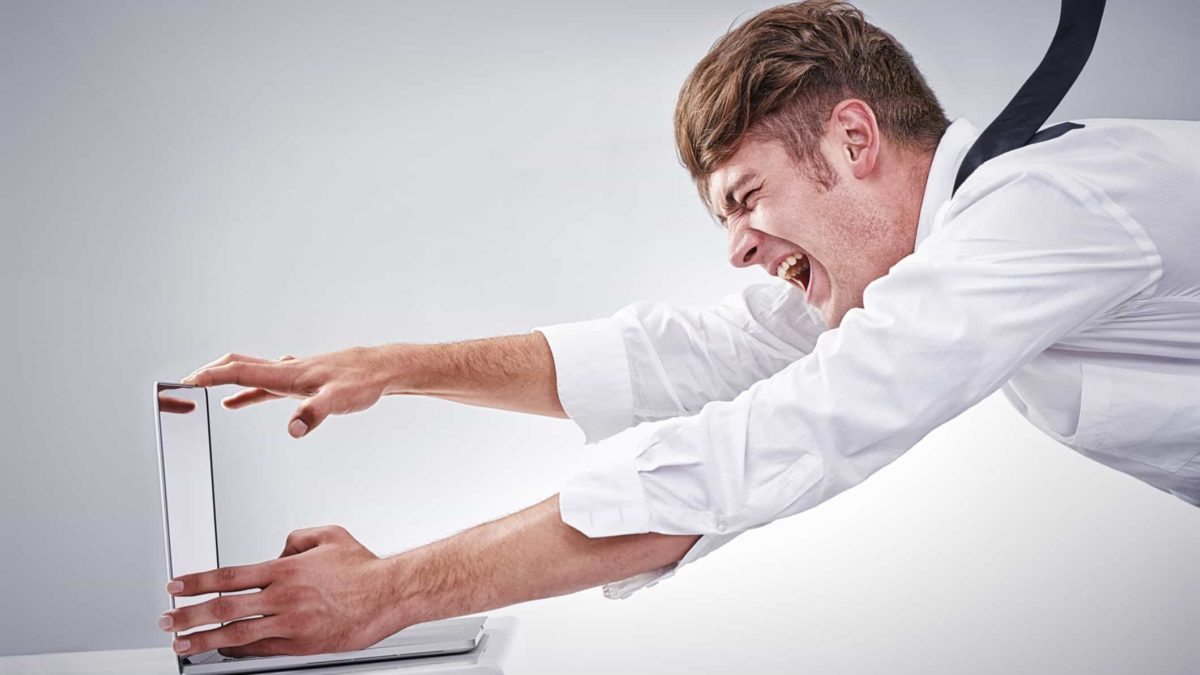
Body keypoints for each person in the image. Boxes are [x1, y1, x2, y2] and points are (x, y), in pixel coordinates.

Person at [157, 0, 1199, 659]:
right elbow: (688, 354)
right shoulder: (948, 247)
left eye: (747, 197)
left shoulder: (1038, 216)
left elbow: (776, 442)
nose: (738, 248)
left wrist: (389, 594)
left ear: (853, 138)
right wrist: (392, 367)